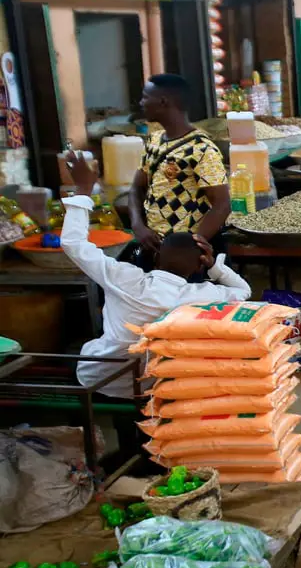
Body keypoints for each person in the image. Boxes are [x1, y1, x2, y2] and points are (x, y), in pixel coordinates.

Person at [59, 153, 250, 456]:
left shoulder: (126, 278)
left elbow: (73, 244)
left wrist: (83, 189)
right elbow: (243, 291)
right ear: (198, 266)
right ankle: (141, 446)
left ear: (156, 257)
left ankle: (89, 441)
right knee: (133, 371)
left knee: (73, 345)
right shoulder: (202, 295)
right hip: (160, 384)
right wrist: (215, 267)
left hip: (102, 377)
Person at [124, 74, 230, 272]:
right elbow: (136, 189)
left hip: (183, 260)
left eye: (145, 97)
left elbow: (222, 205)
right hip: (154, 249)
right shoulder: (154, 141)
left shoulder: (202, 149)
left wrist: (190, 247)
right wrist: (139, 226)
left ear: (163, 102)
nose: (141, 102)